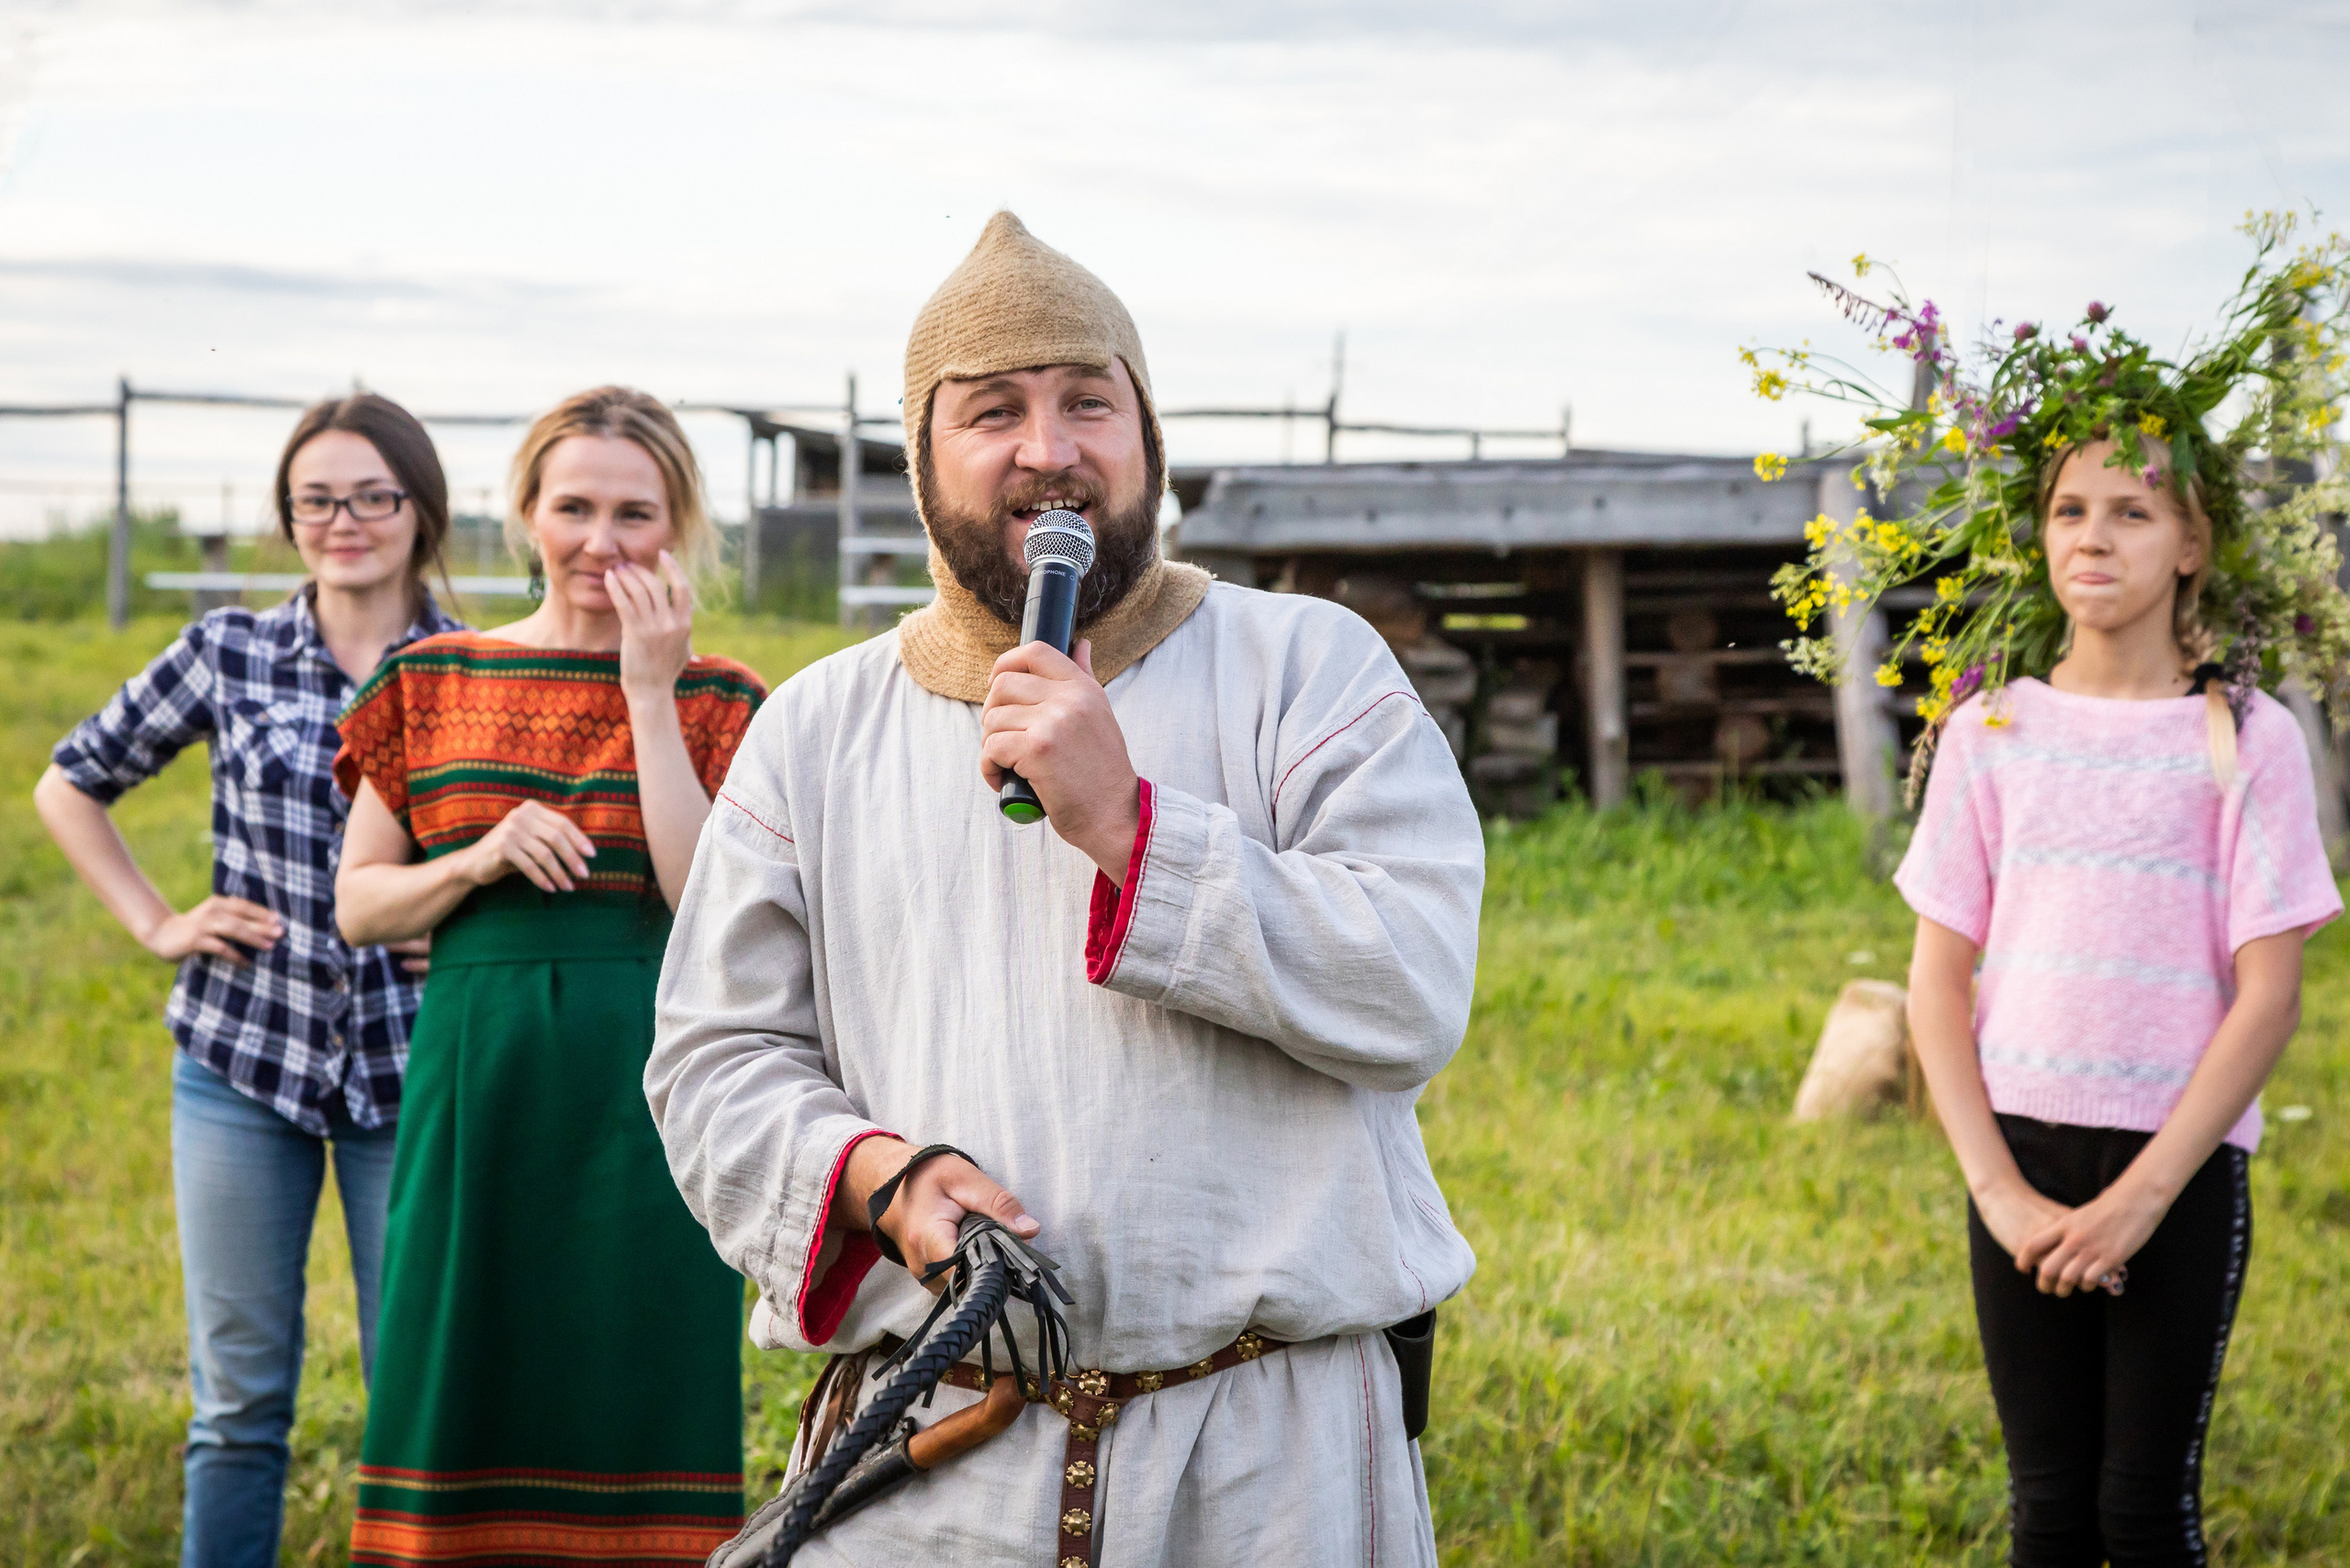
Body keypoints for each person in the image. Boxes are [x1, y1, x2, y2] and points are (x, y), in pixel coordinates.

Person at [648, 210, 1483, 1567]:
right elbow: (712, 1061)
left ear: (1146, 434)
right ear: (925, 462)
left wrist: (1128, 828)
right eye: (994, 413)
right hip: (941, 1462)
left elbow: (1410, 983)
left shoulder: (1310, 671)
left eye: (1088, 402)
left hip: (1266, 1464)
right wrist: (876, 1176)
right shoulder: (812, 730)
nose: (1050, 450)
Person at [331, 386, 764, 1567]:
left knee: (638, 1367)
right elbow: (358, 902)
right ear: (526, 512)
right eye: (573, 505)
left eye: (635, 511)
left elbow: (704, 902)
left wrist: (646, 690)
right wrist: (471, 859)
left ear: (676, 527)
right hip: (480, 1084)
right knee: (457, 1354)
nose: (601, 540)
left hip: (648, 1087)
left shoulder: (719, 697)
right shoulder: (431, 679)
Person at [34, 395, 464, 1568]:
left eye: (373, 494)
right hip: (240, 1064)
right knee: (237, 1403)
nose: (345, 521)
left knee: (416, 1399)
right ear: (287, 516)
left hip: (410, 1072)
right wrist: (157, 920)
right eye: (316, 498)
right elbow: (70, 782)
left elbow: (545, 843)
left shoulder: (474, 666)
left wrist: (461, 926)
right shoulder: (228, 651)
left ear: (420, 510)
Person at [1901, 436, 2342, 1566]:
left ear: (2192, 544)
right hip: (2021, 1160)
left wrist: (2143, 1200)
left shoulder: (2247, 736)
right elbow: (1935, 984)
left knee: (2142, 1512)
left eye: (2131, 514)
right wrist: (1997, 1193)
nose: (2092, 534)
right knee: (2047, 1510)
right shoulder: (1988, 730)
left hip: (2177, 1169)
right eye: (2067, 510)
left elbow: (2269, 995)